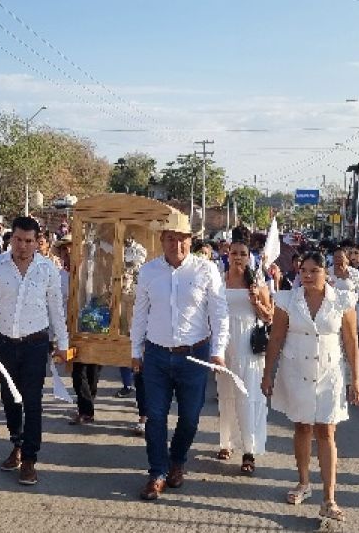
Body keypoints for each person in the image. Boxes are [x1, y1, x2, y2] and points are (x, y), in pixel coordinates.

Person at [130, 210, 229, 501]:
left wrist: (218, 351)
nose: (178, 245)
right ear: (162, 240)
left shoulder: (206, 270)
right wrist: (135, 351)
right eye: (171, 239)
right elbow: (139, 315)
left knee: (190, 418)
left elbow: (219, 313)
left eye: (183, 239)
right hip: (157, 356)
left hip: (194, 355)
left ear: (191, 240)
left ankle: (178, 460)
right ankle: (157, 472)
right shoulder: (149, 272)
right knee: (155, 416)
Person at [262, 252, 359, 522]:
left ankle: (329, 498)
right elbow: (276, 338)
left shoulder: (342, 299)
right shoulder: (287, 300)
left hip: (330, 372)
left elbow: (351, 341)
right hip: (296, 370)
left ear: (325, 273)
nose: (307, 275)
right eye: (303, 270)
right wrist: (267, 374)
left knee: (327, 430)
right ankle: (303, 482)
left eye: (314, 270)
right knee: (302, 426)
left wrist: (357, 379)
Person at [0, 216, 68, 485]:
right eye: (17, 240)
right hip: (4, 343)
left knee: (32, 401)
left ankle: (29, 459)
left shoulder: (47, 270)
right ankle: (17, 443)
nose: (22, 246)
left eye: (28, 241)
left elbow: (56, 310)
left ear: (38, 242)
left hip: (36, 343)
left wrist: (63, 345)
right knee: (10, 398)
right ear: (10, 239)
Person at [216, 242, 274, 475]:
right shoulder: (219, 280)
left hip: (248, 345)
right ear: (227, 256)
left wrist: (255, 301)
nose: (238, 258)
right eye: (234, 253)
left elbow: (270, 316)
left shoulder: (257, 283)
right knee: (226, 393)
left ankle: (249, 450)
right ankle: (225, 442)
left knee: (247, 395)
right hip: (223, 344)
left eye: (243, 254)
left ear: (249, 258)